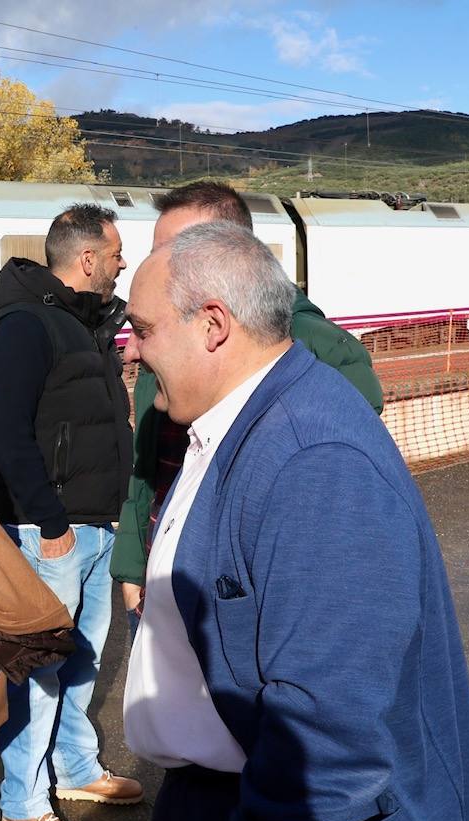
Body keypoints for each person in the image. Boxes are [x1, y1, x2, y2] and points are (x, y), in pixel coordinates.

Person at [120, 221, 469, 821]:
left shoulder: (313, 461)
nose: (131, 350)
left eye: (144, 328)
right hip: (217, 800)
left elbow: (331, 742)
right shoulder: (238, 422)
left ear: (213, 325)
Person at [110, 181, 385, 639]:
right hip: (166, 573)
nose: (155, 265)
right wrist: (133, 568)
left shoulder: (308, 345)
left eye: (178, 250)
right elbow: (145, 473)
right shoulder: (166, 343)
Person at [0, 204, 141, 821]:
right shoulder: (23, 325)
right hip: (51, 531)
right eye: (117, 250)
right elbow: (11, 434)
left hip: (96, 524)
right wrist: (50, 525)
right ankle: (21, 803)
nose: (123, 261)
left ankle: (74, 768)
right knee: (38, 671)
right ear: (88, 258)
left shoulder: (87, 324)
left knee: (83, 661)